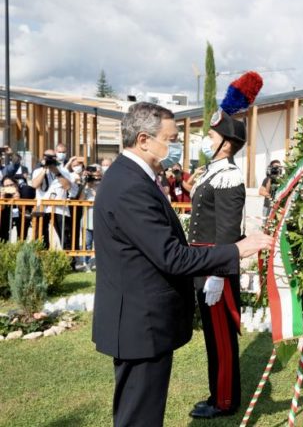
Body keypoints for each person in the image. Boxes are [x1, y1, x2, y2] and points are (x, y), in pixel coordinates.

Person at [92, 102, 273, 427]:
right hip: (141, 320)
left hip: (149, 311)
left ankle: (224, 398)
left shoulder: (131, 177)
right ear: (144, 139)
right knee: (140, 416)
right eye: (172, 138)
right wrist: (237, 250)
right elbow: (171, 255)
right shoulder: (131, 185)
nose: (177, 146)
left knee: (139, 410)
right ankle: (222, 398)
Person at [188, 71, 262, 419]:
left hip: (214, 266)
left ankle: (225, 401)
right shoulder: (213, 172)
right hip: (204, 264)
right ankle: (217, 393)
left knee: (220, 337)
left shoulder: (229, 175)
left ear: (226, 144)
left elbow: (228, 232)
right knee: (212, 338)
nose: (206, 139)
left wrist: (218, 274)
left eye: (212, 135)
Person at [30, 149, 78, 253]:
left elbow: (68, 186)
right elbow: (35, 185)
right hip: (42, 207)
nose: (49, 159)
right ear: (43, 157)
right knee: (41, 235)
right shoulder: (38, 171)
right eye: (47, 157)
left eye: (52, 157)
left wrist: (56, 172)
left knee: (65, 235)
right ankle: (42, 258)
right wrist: (44, 169)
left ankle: (69, 262)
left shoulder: (63, 171)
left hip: (60, 208)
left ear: (56, 158)